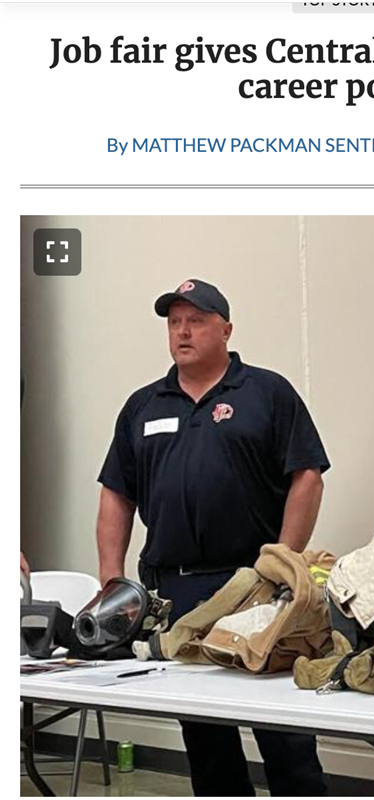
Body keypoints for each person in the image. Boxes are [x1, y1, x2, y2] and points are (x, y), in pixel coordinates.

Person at [96, 278, 330, 797]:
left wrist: (282, 563)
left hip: (255, 586)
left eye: (196, 321)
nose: (183, 332)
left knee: (283, 731)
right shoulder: (143, 405)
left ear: (226, 330)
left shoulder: (266, 392)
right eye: (175, 322)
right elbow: (116, 494)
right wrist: (112, 581)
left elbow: (307, 477)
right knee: (205, 736)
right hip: (176, 591)